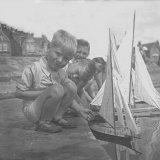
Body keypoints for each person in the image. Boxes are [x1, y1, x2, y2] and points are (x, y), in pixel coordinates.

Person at [0, 30, 93, 133]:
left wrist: (80, 110)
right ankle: (43, 123)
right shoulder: (33, 69)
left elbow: (68, 95)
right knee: (57, 89)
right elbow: (18, 93)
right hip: (33, 109)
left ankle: (57, 117)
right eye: (57, 54)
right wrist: (43, 93)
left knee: (71, 86)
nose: (60, 60)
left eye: (66, 59)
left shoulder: (61, 72)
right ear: (48, 48)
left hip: (50, 109)